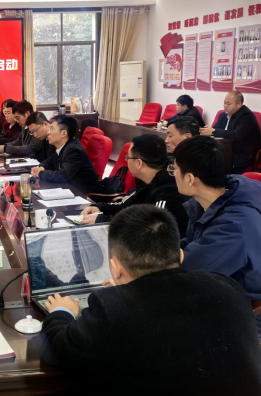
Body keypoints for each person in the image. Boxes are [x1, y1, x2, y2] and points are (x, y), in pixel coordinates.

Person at [41, 205, 261, 396]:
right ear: (180, 255)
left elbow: (56, 350)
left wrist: (61, 312)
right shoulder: (228, 288)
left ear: (115, 268)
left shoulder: (112, 310)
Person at [173, 136, 261, 335]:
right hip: (220, 290)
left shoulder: (234, 225)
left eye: (174, 170)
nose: (173, 175)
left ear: (190, 178)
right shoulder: (210, 202)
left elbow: (190, 270)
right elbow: (192, 244)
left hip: (246, 314)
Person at [81, 134, 190, 237]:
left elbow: (151, 229)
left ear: (138, 163)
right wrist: (100, 207)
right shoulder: (145, 179)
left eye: (127, 157)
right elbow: (127, 206)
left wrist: (103, 220)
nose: (126, 160)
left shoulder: (170, 190)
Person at [30, 115, 100, 194]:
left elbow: (62, 176)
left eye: (52, 129)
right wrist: (39, 167)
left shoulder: (74, 150)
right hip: (70, 190)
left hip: (86, 195)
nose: (48, 132)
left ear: (63, 133)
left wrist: (40, 173)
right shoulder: (63, 147)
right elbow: (50, 161)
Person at [200, 91, 261, 173]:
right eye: (224, 103)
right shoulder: (223, 115)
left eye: (228, 104)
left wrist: (213, 131)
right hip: (224, 150)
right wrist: (207, 131)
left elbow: (236, 134)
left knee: (212, 162)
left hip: (241, 154)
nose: (225, 106)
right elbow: (214, 130)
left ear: (239, 104)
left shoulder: (247, 116)